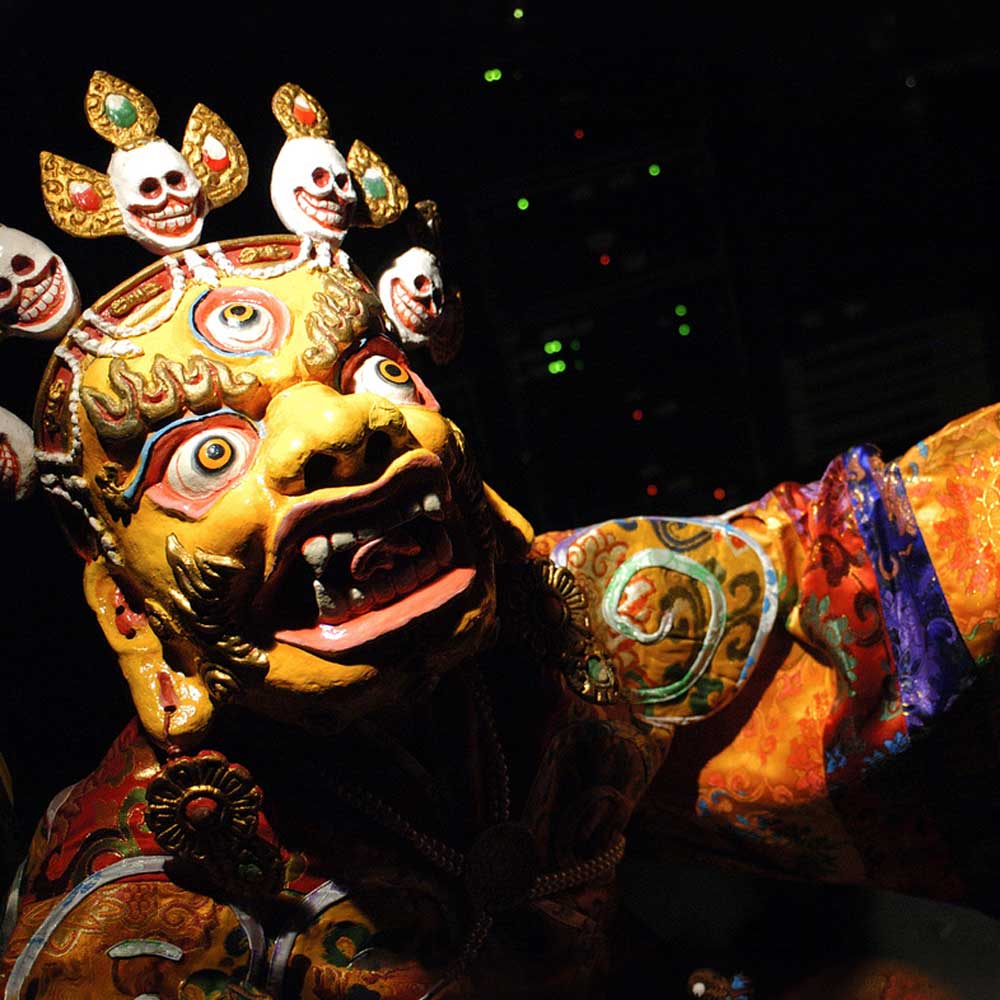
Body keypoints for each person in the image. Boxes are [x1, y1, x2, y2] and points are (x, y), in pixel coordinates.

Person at [1, 75, 996, 1000]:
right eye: (209, 454)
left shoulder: (576, 626)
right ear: (130, 612)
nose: (340, 431)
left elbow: (855, 559)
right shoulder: (135, 920)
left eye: (375, 372)